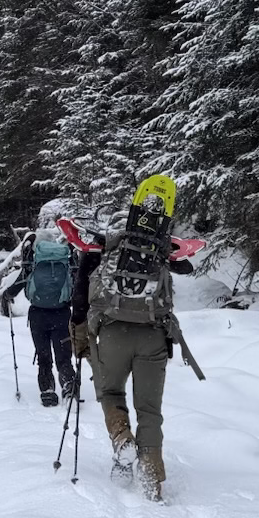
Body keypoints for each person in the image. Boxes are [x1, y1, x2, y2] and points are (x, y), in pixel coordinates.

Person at [68, 192, 197, 501]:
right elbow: (186, 267)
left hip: (112, 333)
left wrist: (79, 331)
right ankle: (152, 479)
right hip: (153, 334)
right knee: (150, 410)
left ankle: (122, 439)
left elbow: (80, 295)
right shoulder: (156, 249)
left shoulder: (102, 247)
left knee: (110, 392)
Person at [14, 211, 79, 407]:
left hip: (38, 315)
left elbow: (22, 282)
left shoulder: (33, 260)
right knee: (64, 355)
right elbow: (77, 281)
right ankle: (69, 386)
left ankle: (48, 391)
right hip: (62, 313)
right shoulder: (65, 258)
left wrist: (8, 295)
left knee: (43, 356)